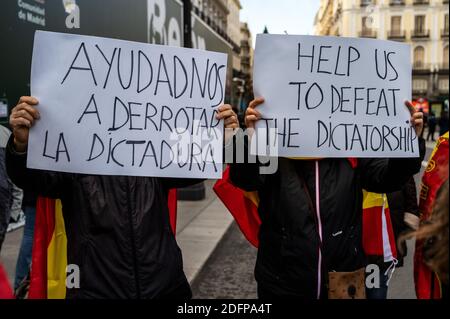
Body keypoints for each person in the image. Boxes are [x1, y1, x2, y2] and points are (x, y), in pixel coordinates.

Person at [6, 96, 239, 299]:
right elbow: (32, 179)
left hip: (164, 285)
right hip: (94, 288)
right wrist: (22, 145)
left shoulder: (154, 150)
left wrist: (223, 140)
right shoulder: (74, 157)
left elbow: (196, 169)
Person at [228, 97, 425, 299]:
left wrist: (409, 144)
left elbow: (386, 179)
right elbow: (244, 179)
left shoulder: (351, 138)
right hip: (282, 280)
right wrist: (249, 136)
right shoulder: (269, 139)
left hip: (346, 275)